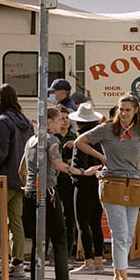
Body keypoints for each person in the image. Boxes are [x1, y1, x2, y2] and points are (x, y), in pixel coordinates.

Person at [75, 93, 140, 280]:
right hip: (112, 181)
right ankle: (123, 278)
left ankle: (117, 275)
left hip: (133, 181)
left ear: (136, 110)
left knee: (128, 234)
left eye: (127, 110)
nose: (123, 113)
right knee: (120, 233)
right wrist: (102, 158)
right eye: (121, 109)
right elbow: (80, 141)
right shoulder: (107, 129)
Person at [21, 107, 80, 280]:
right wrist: (81, 171)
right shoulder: (52, 140)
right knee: (60, 240)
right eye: (58, 120)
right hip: (48, 192)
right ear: (49, 121)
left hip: (30, 192)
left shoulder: (30, 141)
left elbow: (21, 169)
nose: (61, 123)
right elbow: (59, 165)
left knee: (39, 241)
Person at [0, 84, 33, 277]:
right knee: (15, 220)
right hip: (20, 178)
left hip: (1, 177)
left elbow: (0, 152)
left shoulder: (2, 121)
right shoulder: (26, 122)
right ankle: (17, 262)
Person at [69, 103, 106, 274]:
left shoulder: (80, 141)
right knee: (96, 224)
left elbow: (77, 167)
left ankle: (88, 261)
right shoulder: (100, 139)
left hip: (83, 185)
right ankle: (99, 260)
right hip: (98, 185)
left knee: (83, 224)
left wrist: (76, 174)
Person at [54, 104, 78, 258]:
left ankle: (69, 248)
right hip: (55, 180)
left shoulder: (75, 138)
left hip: (70, 180)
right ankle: (54, 248)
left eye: (67, 118)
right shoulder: (52, 137)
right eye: (61, 118)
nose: (64, 121)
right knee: (55, 215)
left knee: (70, 215)